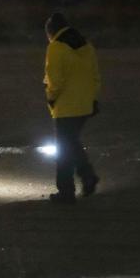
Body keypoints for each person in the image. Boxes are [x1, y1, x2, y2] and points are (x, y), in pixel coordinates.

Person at [43, 11, 101, 203]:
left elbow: (55, 81)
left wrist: (50, 98)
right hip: (85, 104)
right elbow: (95, 76)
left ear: (51, 31)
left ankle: (66, 191)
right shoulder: (86, 45)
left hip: (66, 106)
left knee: (64, 148)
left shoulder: (56, 48)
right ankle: (88, 176)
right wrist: (93, 98)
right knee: (71, 143)